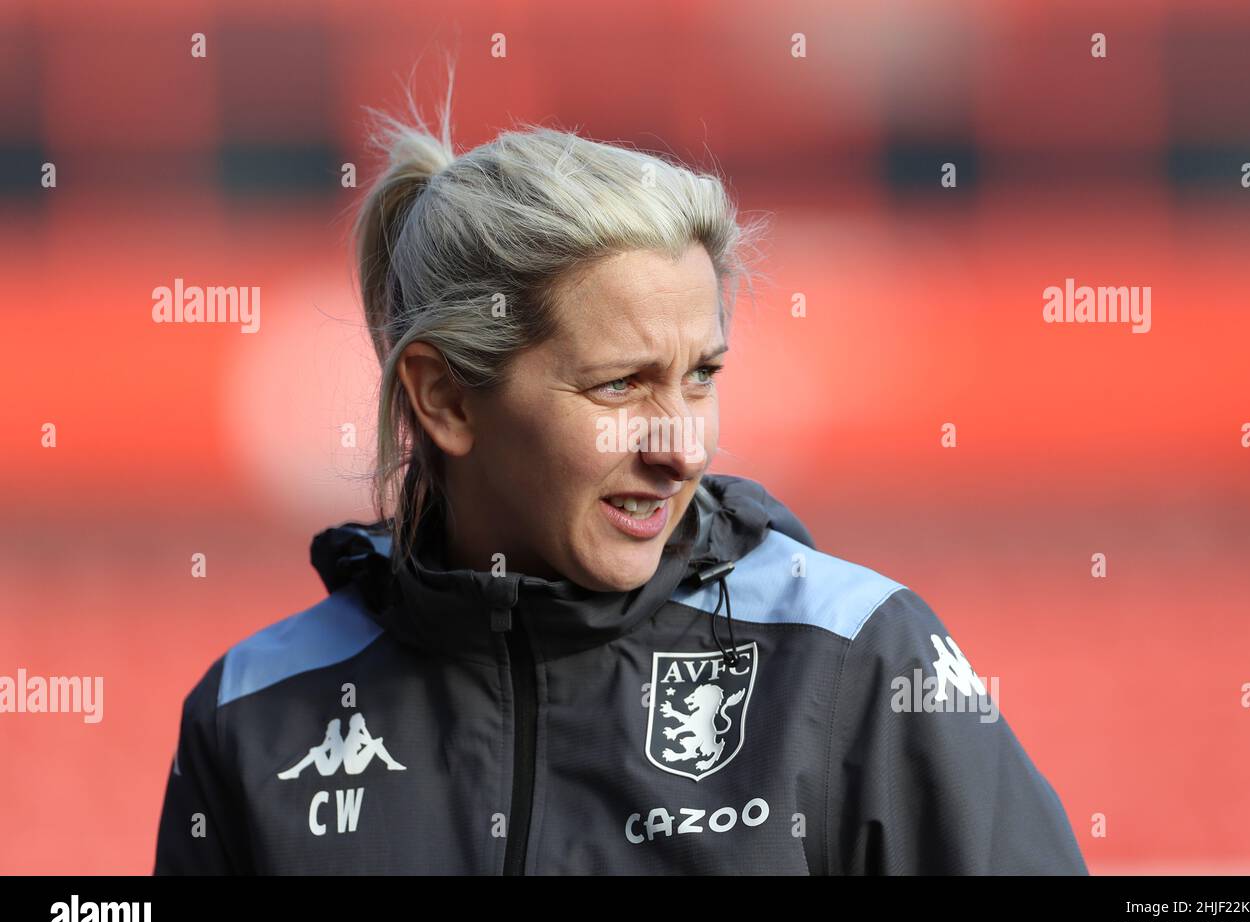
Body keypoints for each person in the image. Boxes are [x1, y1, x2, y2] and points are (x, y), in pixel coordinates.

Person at [153, 66, 1088, 875]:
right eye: (621, 386)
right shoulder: (254, 714)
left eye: (701, 377)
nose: (682, 445)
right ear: (445, 400)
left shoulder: (856, 659)